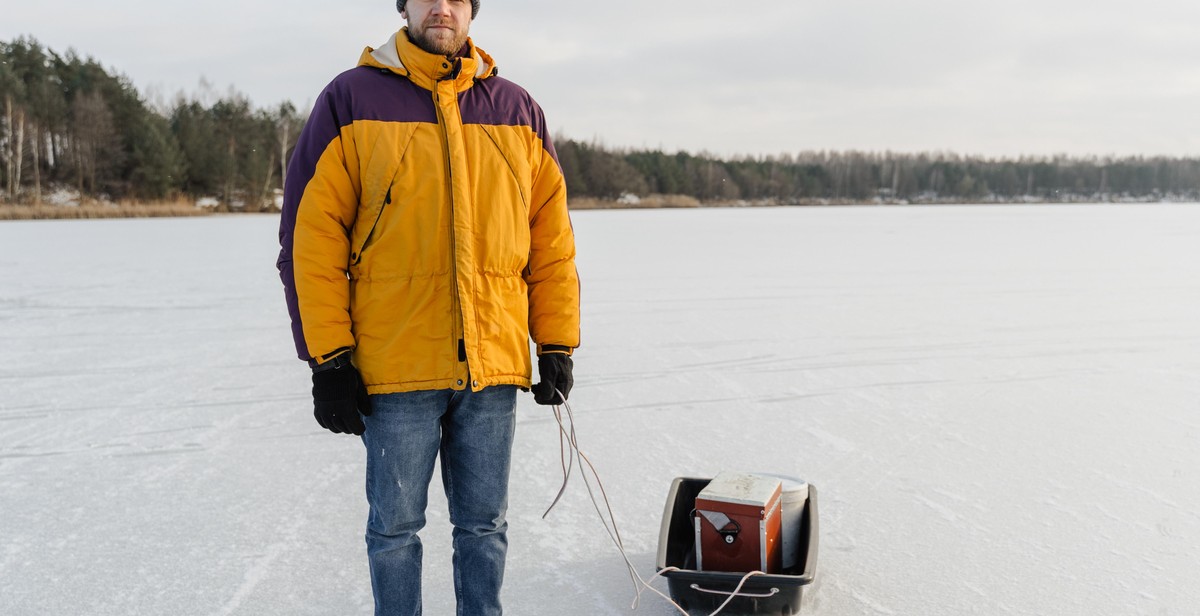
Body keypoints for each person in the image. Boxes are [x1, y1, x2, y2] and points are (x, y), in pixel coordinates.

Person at [276, 0, 581, 613]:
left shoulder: (517, 110)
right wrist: (329, 360)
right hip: (395, 368)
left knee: (485, 528)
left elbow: (550, 242)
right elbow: (309, 241)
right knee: (394, 531)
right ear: (403, 6)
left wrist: (555, 341)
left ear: (472, 12)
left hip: (491, 367)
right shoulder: (351, 100)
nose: (442, 6)